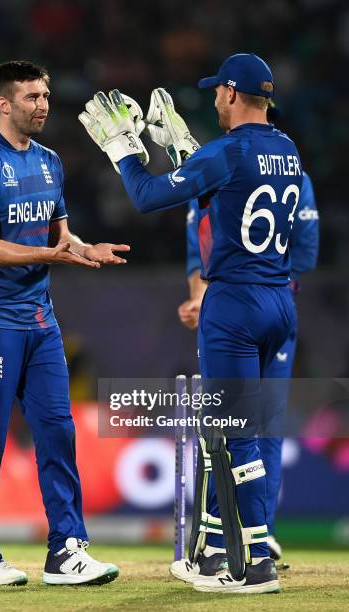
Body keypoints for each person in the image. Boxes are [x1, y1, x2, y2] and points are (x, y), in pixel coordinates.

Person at [80, 53, 301, 594]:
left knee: (230, 436)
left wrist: (124, 151)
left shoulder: (227, 151)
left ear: (229, 93)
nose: (214, 102)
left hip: (234, 305)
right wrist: (183, 148)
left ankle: (253, 567)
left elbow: (148, 196)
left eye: (215, 93)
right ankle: (215, 554)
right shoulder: (288, 149)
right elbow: (220, 191)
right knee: (225, 434)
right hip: (280, 299)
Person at [0, 60, 128, 587]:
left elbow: (60, 235)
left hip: (40, 318)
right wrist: (52, 255)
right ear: (4, 103)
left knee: (58, 430)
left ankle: (66, 550)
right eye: (31, 97)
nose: (43, 104)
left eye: (46, 94)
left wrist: (83, 248)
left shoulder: (51, 162)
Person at [176, 104, 319, 566]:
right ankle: (224, 539)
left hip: (256, 305)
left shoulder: (280, 171)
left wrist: (264, 284)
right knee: (231, 425)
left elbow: (305, 252)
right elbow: (199, 248)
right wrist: (200, 295)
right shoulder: (221, 174)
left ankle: (257, 539)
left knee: (254, 425)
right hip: (242, 305)